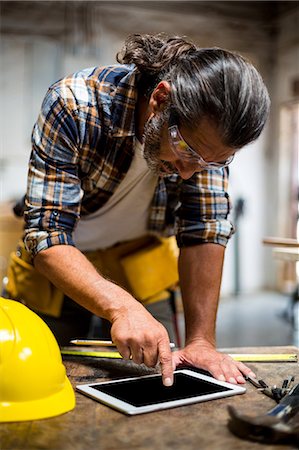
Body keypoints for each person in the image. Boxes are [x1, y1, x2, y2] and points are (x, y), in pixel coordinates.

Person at [5, 33, 270, 387]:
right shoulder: (75, 104)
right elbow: (47, 233)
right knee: (44, 372)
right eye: (188, 152)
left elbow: (204, 228)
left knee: (161, 372)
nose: (191, 171)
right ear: (161, 98)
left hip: (138, 259)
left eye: (213, 162)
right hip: (60, 262)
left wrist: (202, 341)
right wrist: (121, 306)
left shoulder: (208, 139)